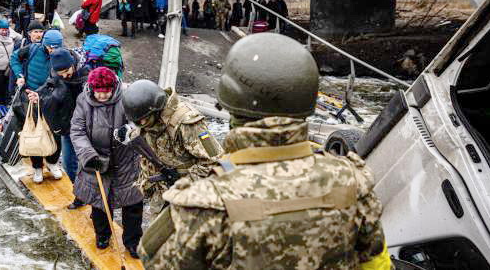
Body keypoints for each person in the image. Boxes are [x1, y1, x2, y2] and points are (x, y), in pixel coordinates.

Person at [139, 33, 391, 269]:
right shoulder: (352, 182)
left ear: (230, 103)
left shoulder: (203, 203)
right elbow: (377, 264)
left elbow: (154, 260)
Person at [70, 67, 143, 258]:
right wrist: (89, 155)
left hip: (126, 160)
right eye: (99, 92)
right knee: (100, 202)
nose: (102, 96)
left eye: (106, 92)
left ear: (113, 88)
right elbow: (77, 131)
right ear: (92, 88)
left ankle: (133, 242)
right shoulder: (83, 101)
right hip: (97, 160)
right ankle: (102, 235)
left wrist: (129, 131)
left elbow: (140, 123)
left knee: (133, 203)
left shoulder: (127, 97)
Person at [119, 80, 223, 211]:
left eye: (144, 119)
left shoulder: (186, 122)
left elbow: (214, 160)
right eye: (138, 121)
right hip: (161, 198)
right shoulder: (146, 122)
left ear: (156, 110)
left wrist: (183, 183)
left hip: (191, 196)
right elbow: (147, 143)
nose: (142, 123)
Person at [33, 48, 90, 208]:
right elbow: (47, 86)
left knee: (86, 165)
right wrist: (37, 95)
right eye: (60, 73)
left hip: (86, 128)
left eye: (66, 71)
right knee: (67, 164)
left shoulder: (85, 75)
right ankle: (79, 195)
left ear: (73, 64)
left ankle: (92, 197)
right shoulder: (55, 74)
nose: (64, 75)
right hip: (67, 127)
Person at [11, 25, 65, 183]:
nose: (52, 51)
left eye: (56, 47)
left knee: (55, 131)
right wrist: (19, 75)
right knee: (34, 131)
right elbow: (14, 58)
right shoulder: (32, 49)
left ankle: (53, 163)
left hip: (52, 98)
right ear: (44, 44)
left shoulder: (62, 54)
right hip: (30, 97)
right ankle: (37, 167)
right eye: (49, 47)